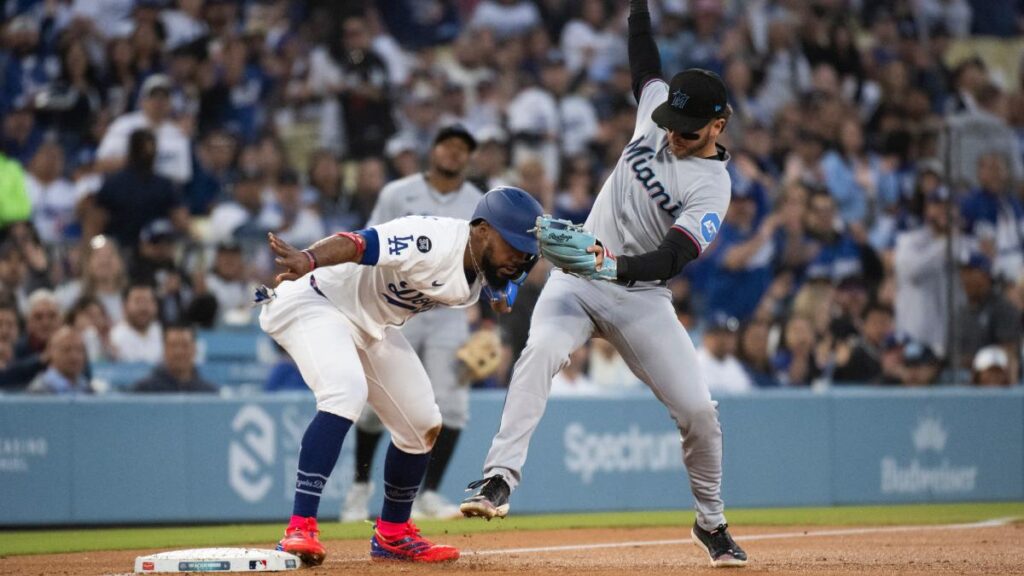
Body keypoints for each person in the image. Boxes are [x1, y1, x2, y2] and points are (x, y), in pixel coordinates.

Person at [460, 1, 747, 568]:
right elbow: (645, 63)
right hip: (576, 281)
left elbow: (672, 257)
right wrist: (638, 8)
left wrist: (613, 267)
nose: (674, 136)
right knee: (539, 349)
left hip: (641, 296)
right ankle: (497, 479)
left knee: (699, 413)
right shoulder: (661, 114)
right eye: (670, 124)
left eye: (689, 131)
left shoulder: (713, 186)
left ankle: (711, 522)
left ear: (719, 125)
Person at [258, 186, 543, 566]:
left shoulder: (486, 262)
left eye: (526, 254)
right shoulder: (430, 241)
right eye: (512, 246)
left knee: (422, 422)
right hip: (314, 300)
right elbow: (359, 242)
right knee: (345, 392)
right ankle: (300, 526)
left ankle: (392, 533)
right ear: (482, 230)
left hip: (372, 326)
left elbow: (504, 274)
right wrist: (309, 258)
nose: (518, 259)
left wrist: (504, 286)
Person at [343, 125, 482, 523]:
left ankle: (429, 494)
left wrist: (484, 314)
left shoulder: (479, 201)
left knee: (453, 406)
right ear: (432, 149)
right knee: (373, 408)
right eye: (448, 144)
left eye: (462, 148)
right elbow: (367, 242)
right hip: (395, 308)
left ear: (469, 159)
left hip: (447, 314)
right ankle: (358, 490)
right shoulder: (396, 193)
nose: (454, 153)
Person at [131, 325, 217, 393]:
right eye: (173, 346)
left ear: (195, 350)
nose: (178, 352)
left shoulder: (208, 392)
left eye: (185, 346)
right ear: (164, 350)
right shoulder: (144, 390)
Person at [696, 314, 753, 395]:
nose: (726, 339)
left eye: (729, 334)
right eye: (720, 334)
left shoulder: (734, 364)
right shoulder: (694, 362)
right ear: (706, 336)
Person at [26, 326, 92, 395]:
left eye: (79, 350)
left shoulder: (86, 388)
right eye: (67, 350)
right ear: (51, 352)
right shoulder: (39, 390)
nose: (74, 356)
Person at [110, 283, 163, 364]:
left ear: (155, 306)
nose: (143, 307)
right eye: (137, 301)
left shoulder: (163, 333)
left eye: (147, 301)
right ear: (124, 306)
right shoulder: (114, 337)